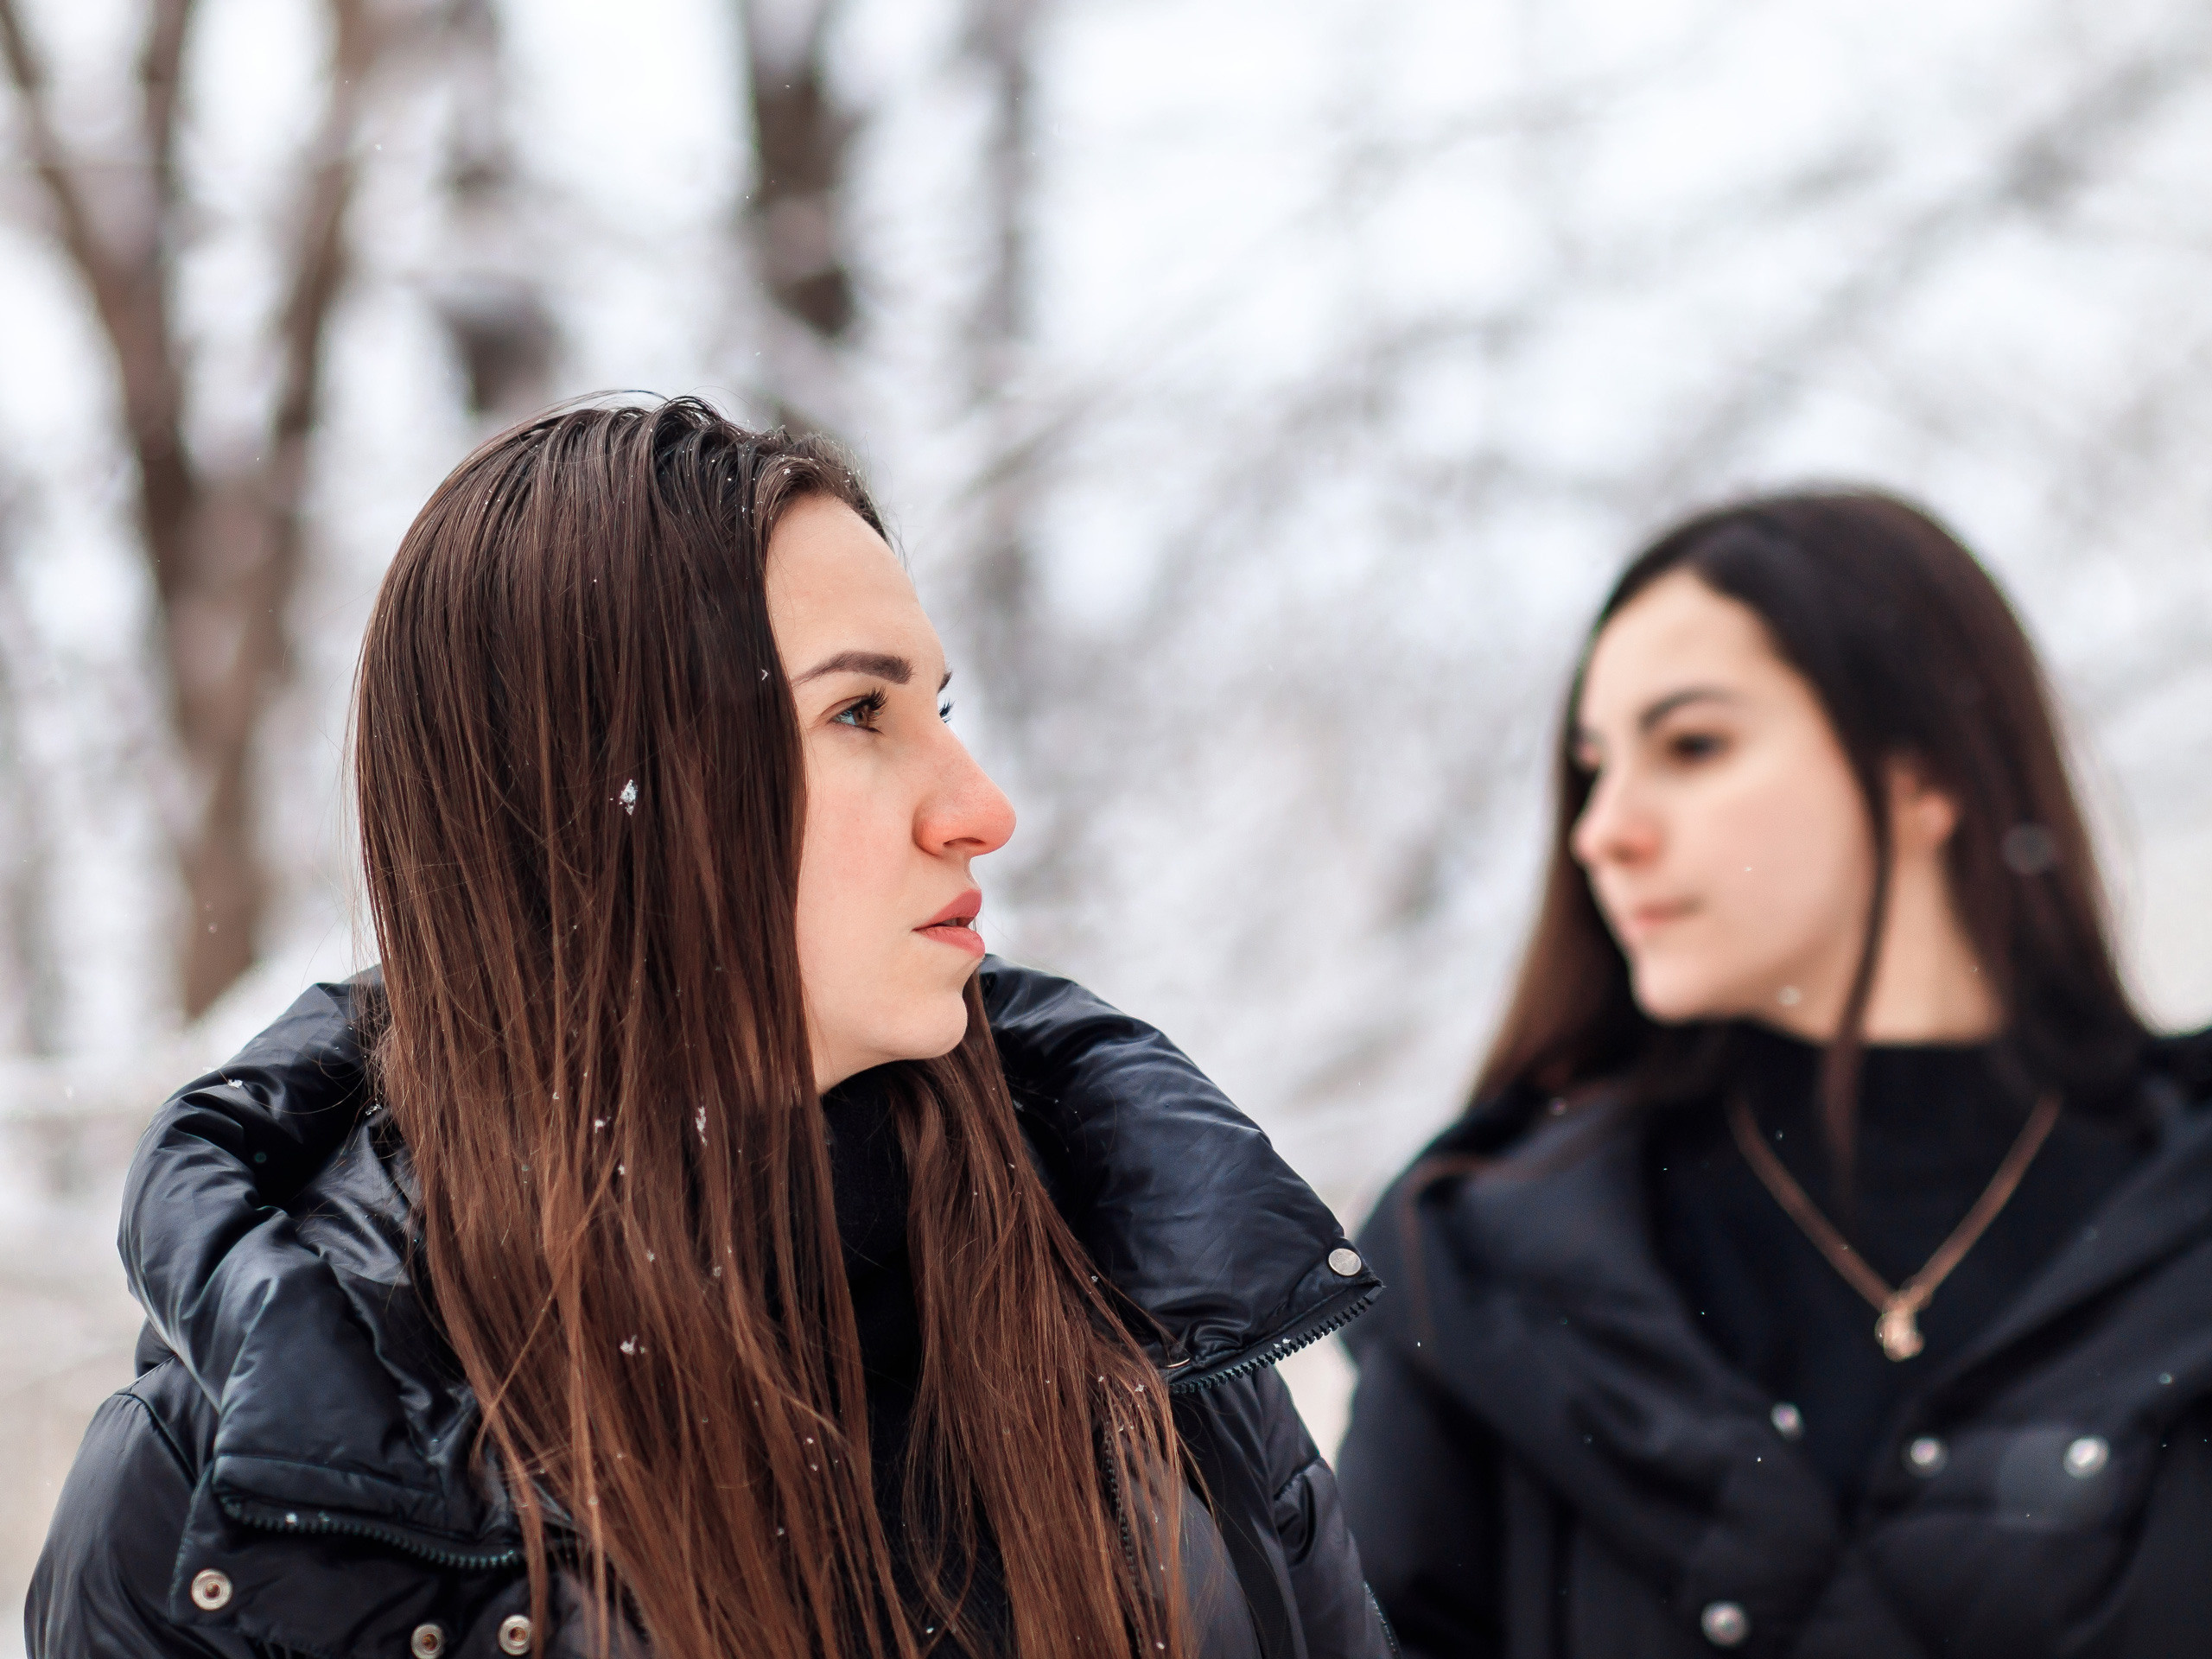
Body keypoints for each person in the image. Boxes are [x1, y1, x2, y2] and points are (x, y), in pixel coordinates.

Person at [31, 399, 1390, 1659]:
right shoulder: (243, 1489)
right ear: (590, 802)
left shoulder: (1132, 1310)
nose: (980, 804)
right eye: (860, 711)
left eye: (942, 707)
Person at [1336, 491, 2212, 1659]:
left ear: (1924, 774)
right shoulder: (1492, 1270)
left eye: (1692, 745)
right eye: (1593, 771)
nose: (1603, 830)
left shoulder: (2181, 1211)